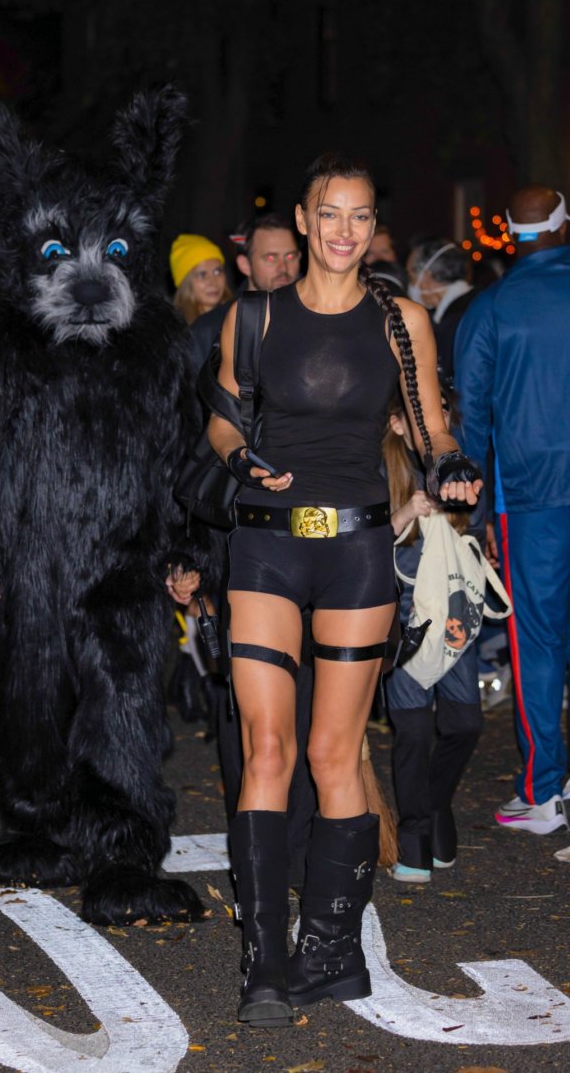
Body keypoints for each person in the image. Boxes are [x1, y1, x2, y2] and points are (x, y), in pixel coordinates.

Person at [206, 152, 482, 1027]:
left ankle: (331, 948)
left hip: (358, 552)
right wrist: (238, 454)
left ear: (372, 228)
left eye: (361, 217)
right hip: (264, 552)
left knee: (334, 756)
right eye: (331, 213)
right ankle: (265, 960)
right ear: (302, 217)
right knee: (268, 751)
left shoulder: (401, 320)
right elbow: (219, 417)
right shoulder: (252, 318)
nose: (344, 231)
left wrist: (453, 471)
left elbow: (432, 430)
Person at [455, 184, 570, 837]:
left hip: (529, 496)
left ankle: (545, 790)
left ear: (506, 231)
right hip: (534, 491)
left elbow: (471, 418)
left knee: (538, 644)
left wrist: (469, 512)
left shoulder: (489, 306)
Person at [383, 390, 484, 882]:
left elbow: (477, 530)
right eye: (420, 412)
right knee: (414, 731)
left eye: (441, 410)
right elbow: (352, 539)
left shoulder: (459, 464)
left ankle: (436, 805)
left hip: (454, 611)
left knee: (465, 724)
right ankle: (414, 834)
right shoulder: (378, 463)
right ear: (398, 424)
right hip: (402, 619)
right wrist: (405, 512)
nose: (435, 419)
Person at [189, 214, 301, 370]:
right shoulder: (209, 330)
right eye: (270, 258)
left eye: (290, 256)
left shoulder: (318, 319)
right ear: (245, 265)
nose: (283, 268)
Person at [406, 239, 477, 387]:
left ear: (426, 276)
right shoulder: (477, 304)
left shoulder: (455, 322)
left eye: (410, 274)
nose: (410, 284)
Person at [170, 234, 231, 325]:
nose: (213, 282)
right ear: (186, 283)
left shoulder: (236, 320)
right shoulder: (176, 333)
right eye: (202, 275)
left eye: (217, 272)